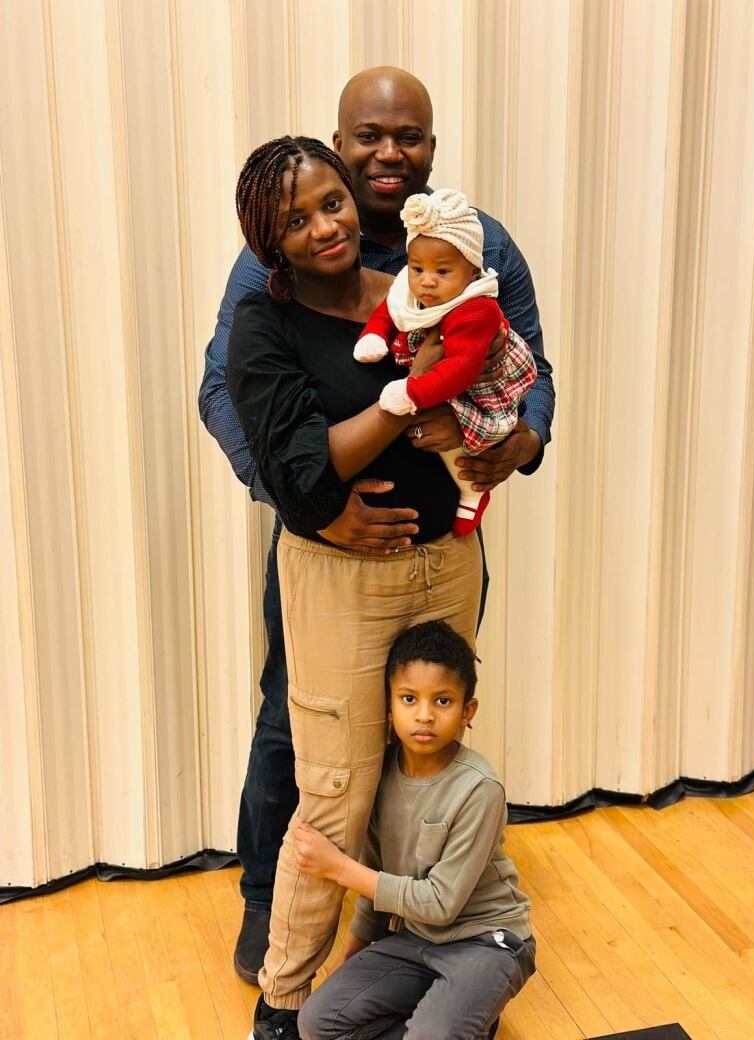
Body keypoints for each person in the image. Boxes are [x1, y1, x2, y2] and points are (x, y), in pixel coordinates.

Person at [197, 66, 555, 985]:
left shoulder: (478, 241)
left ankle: (389, 914)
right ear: (340, 141)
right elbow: (226, 389)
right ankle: (266, 903)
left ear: (432, 147)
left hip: (445, 546)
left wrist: (516, 442)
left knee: (420, 724)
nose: (389, 154)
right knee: (302, 731)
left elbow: (528, 367)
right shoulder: (279, 249)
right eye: (369, 137)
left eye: (410, 137)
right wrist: (310, 506)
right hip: (333, 559)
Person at [228, 135, 485, 1040]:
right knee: (335, 792)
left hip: (447, 564)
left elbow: (491, 378)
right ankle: (283, 1002)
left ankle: (387, 974)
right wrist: (404, 401)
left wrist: (480, 423)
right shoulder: (264, 325)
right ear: (267, 240)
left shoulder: (417, 288)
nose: (323, 227)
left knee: (422, 773)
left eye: (330, 203)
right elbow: (301, 469)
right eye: (293, 220)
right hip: (342, 581)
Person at [293, 620, 536, 1040]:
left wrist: (337, 868)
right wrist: (356, 952)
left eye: (443, 701)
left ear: (467, 711)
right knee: (316, 1022)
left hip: (485, 942)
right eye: (409, 699)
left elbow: (441, 904)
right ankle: (462, 1019)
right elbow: (378, 868)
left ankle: (460, 1015)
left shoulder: (480, 788)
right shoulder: (379, 772)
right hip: (415, 941)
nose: (424, 714)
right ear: (389, 706)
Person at [354, 188, 537, 536]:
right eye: (417, 267)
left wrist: (413, 392)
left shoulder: (475, 309)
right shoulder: (417, 288)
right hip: (439, 374)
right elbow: (392, 308)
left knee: (454, 433)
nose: (426, 280)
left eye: (442, 271)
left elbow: (461, 371)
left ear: (471, 272)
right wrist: (375, 335)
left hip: (479, 383)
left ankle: (472, 490)